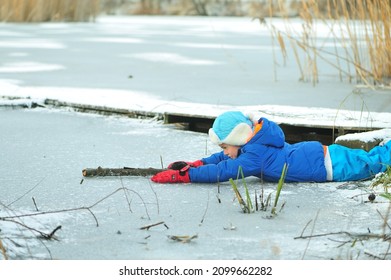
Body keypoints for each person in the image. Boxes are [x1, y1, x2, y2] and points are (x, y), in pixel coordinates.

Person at [151, 111, 391, 184]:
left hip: (331, 166)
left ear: (239, 138)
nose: (224, 152)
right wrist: (199, 163)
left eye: (226, 146)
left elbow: (223, 172)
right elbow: (222, 159)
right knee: (370, 157)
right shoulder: (255, 144)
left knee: (373, 163)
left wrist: (185, 176)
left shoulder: (254, 158)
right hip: (321, 155)